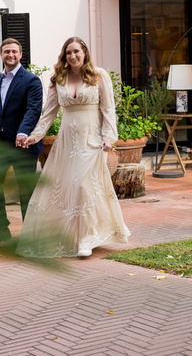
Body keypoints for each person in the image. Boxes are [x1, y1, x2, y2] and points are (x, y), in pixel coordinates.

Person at [19, 37, 130, 257]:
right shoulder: (59, 78)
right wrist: (34, 136)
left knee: (83, 186)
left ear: (84, 52)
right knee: (67, 188)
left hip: (92, 140)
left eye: (76, 51)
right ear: (64, 56)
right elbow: (48, 112)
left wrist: (109, 137)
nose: (72, 56)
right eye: (68, 52)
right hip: (66, 142)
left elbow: (109, 110)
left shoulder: (99, 76)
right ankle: (68, 234)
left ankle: (86, 239)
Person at [0, 38, 44, 248]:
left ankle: (29, 236)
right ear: (1, 54)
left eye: (14, 51)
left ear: (20, 55)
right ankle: (1, 229)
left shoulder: (31, 80)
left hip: (22, 144)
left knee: (26, 191)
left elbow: (33, 110)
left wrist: (23, 132)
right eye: (7, 51)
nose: (11, 55)